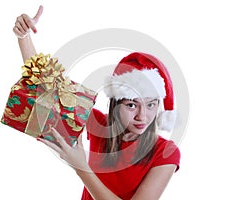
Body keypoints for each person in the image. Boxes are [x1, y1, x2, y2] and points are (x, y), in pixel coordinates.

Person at [13, 5, 181, 200]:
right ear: (116, 104)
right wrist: (24, 37)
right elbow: (49, 89)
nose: (142, 116)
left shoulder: (166, 153)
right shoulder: (101, 126)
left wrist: (81, 167)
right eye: (132, 105)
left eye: (151, 104)